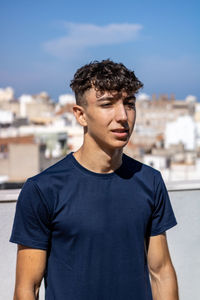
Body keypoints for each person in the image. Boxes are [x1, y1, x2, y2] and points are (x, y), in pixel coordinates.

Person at [10, 59, 179, 300]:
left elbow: (161, 272)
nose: (123, 116)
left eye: (129, 104)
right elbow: (28, 288)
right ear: (81, 115)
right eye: (107, 104)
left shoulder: (150, 181)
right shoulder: (42, 189)